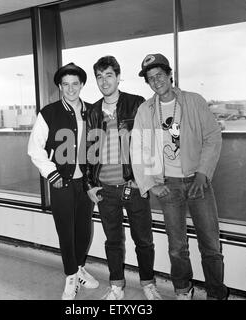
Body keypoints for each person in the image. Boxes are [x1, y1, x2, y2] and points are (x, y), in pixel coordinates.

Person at [131, 53, 229, 300]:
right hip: (168, 186)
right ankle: (183, 290)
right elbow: (138, 149)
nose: (156, 81)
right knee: (177, 248)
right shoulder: (146, 110)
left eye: (160, 75)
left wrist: (203, 173)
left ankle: (216, 293)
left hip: (198, 182)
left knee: (211, 245)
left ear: (169, 74)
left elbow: (212, 136)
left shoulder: (193, 101)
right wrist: (151, 184)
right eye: (151, 78)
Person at [85, 56, 161, 300]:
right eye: (99, 76)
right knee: (113, 241)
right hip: (106, 189)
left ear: (118, 77)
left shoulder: (136, 103)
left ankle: (148, 283)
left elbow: (149, 144)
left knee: (144, 240)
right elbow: (88, 153)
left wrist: (145, 178)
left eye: (108, 75)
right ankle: (117, 285)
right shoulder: (93, 111)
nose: (104, 81)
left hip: (134, 185)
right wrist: (90, 185)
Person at [28, 62, 99, 300]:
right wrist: (52, 173)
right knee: (65, 231)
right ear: (60, 86)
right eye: (66, 84)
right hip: (62, 183)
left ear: (81, 85)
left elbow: (98, 147)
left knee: (83, 229)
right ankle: (70, 274)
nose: (71, 89)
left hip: (85, 184)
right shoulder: (49, 112)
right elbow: (34, 149)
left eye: (75, 84)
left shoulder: (91, 112)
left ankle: (79, 267)